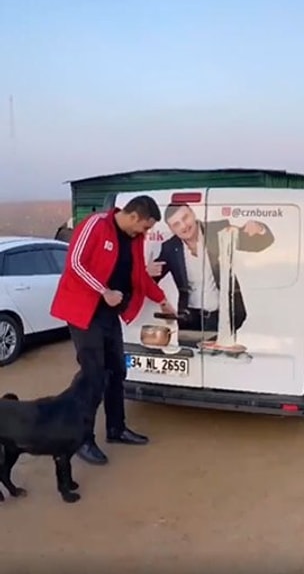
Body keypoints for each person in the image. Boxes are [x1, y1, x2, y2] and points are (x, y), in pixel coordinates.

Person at [50, 195, 178, 466]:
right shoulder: (95, 224)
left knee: (117, 371)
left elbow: (138, 275)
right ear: (134, 217)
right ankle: (82, 438)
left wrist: (162, 299)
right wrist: (104, 291)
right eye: (145, 226)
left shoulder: (134, 238)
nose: (145, 232)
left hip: (109, 315)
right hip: (84, 313)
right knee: (93, 375)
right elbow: (75, 263)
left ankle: (116, 429)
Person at [150, 202, 275, 334]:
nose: (184, 226)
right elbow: (149, 282)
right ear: (171, 229)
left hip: (223, 318)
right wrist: (148, 273)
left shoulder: (218, 230)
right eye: (176, 224)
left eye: (185, 217)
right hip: (189, 321)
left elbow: (259, 244)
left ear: (193, 214)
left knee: (222, 348)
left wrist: (260, 228)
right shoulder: (170, 248)